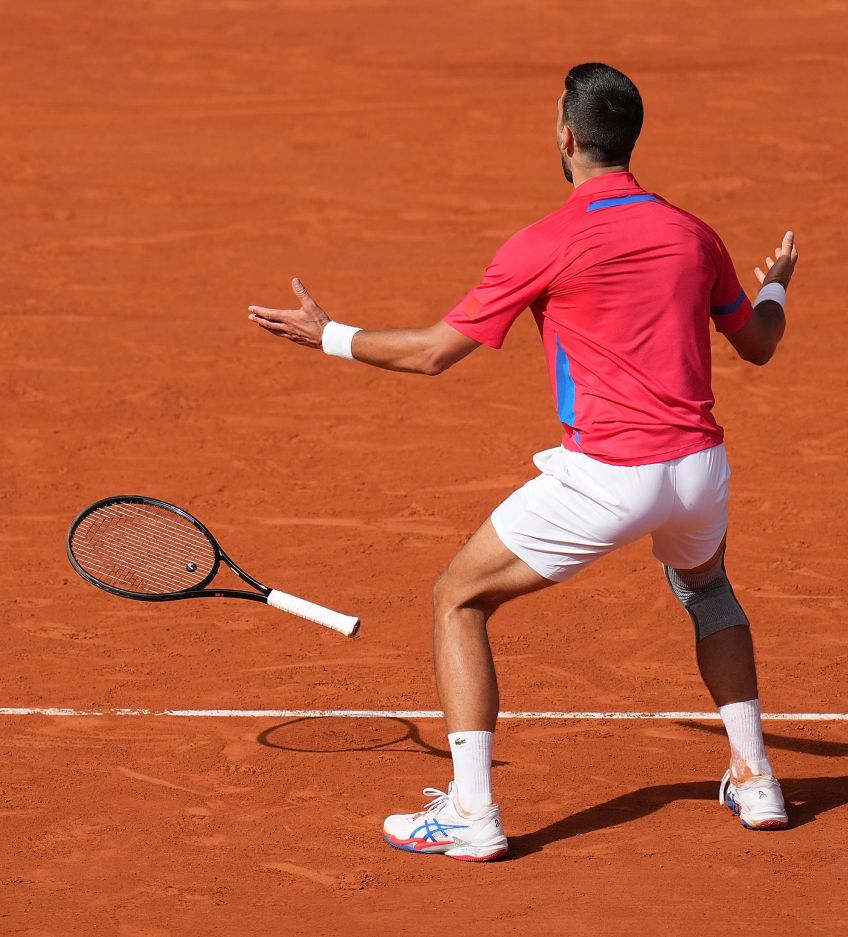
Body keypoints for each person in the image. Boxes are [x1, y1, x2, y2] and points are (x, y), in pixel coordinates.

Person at [248, 62, 798, 862]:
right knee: (709, 588)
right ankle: (757, 780)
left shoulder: (549, 240)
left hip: (609, 476)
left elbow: (436, 353)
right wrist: (777, 284)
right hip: (699, 470)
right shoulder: (694, 232)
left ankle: (473, 811)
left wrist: (325, 334)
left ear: (569, 138)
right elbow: (758, 344)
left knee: (457, 598)